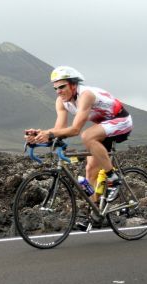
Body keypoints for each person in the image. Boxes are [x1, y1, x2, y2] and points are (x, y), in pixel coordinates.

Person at [25, 66, 133, 203]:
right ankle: (94, 215)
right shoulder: (61, 102)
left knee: (87, 136)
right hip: (102, 126)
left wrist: (49, 133)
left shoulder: (85, 95)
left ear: (73, 85)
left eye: (62, 87)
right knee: (90, 170)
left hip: (121, 120)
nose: (58, 92)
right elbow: (59, 129)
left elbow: (75, 130)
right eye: (56, 88)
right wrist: (38, 135)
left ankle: (113, 178)